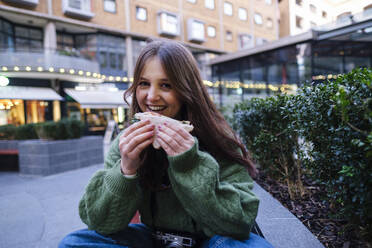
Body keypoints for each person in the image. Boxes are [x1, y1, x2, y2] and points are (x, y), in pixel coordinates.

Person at [59, 40, 273, 248]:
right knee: (73, 243)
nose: (152, 97)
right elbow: (99, 223)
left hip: (209, 240)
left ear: (187, 90)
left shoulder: (218, 139)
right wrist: (126, 170)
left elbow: (239, 222)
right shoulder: (126, 143)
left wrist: (189, 166)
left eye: (166, 85)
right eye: (144, 84)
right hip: (151, 238)